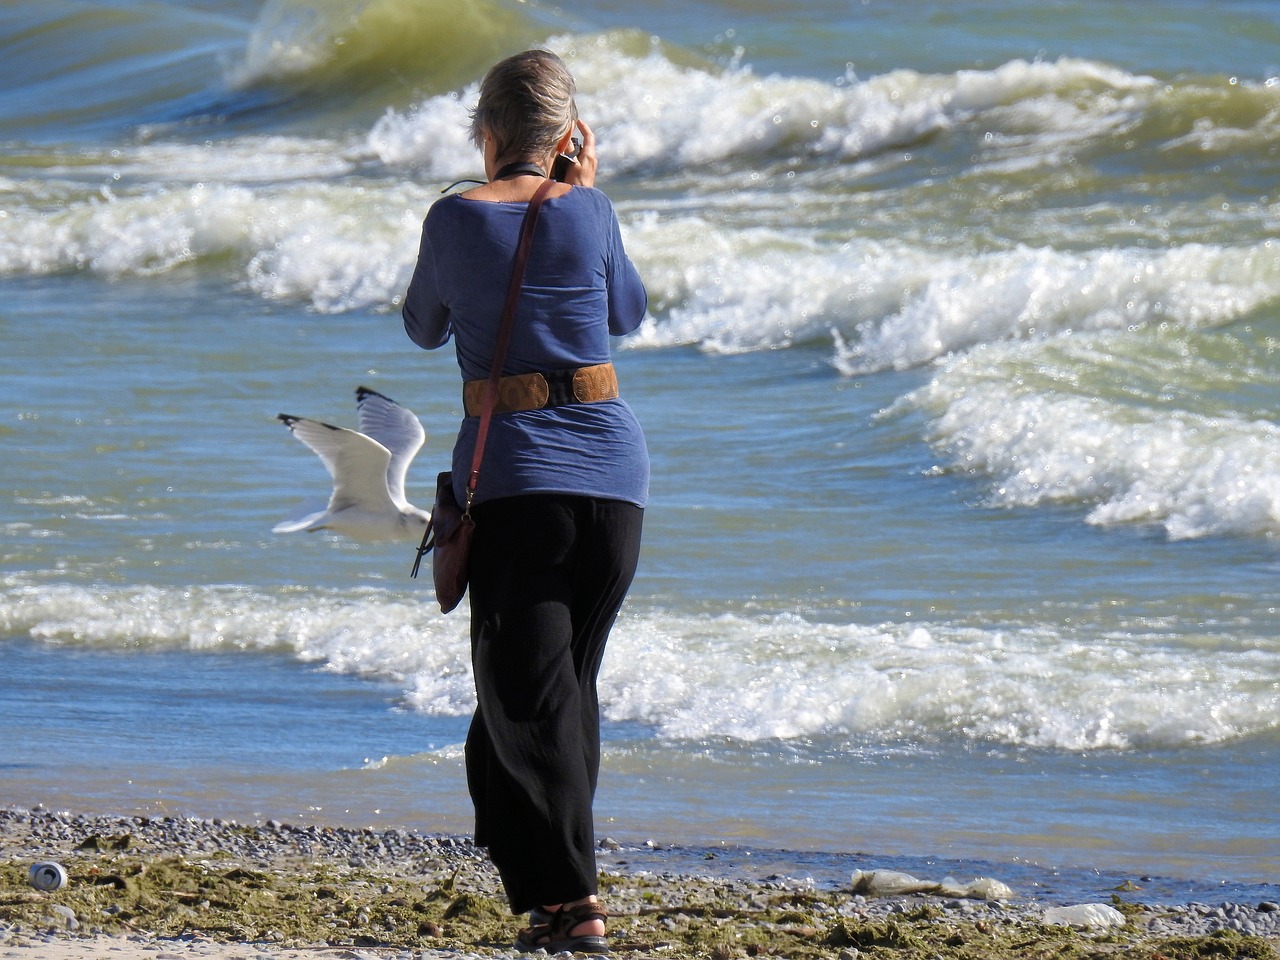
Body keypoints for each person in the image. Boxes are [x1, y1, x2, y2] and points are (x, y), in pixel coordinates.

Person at [400, 49, 648, 954]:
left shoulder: (454, 218)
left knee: (530, 698)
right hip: (617, 481)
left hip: (516, 481)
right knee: (554, 693)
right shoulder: (592, 209)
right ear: (567, 136)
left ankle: (577, 901)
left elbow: (423, 329)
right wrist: (585, 191)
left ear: (487, 131)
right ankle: (547, 900)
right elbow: (627, 313)